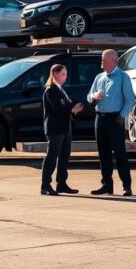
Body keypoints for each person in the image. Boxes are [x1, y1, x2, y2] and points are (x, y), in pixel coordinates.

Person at [87, 49, 135, 196]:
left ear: (114, 61)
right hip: (100, 118)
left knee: (120, 153)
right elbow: (89, 96)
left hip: (115, 119)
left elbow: (130, 99)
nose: (101, 62)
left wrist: (122, 115)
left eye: (104, 59)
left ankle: (126, 186)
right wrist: (93, 96)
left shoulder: (123, 77)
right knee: (103, 154)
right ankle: (107, 185)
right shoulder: (99, 77)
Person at [41, 63, 83, 196]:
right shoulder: (51, 90)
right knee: (52, 156)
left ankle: (61, 183)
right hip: (55, 129)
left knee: (64, 156)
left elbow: (65, 106)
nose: (66, 76)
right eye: (63, 74)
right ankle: (45, 185)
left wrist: (72, 109)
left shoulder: (61, 89)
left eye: (66, 73)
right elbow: (58, 108)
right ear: (55, 74)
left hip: (65, 128)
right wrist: (71, 108)